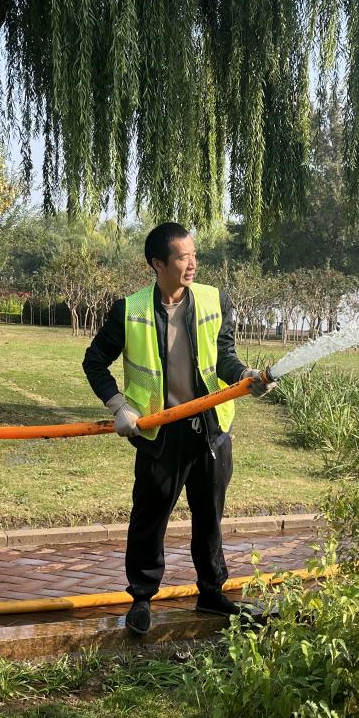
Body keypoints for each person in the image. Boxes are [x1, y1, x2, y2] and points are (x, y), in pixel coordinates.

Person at [82, 222, 273, 636]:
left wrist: (246, 376)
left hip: (209, 431)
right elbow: (94, 362)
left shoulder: (212, 300)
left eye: (194, 254)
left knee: (210, 516)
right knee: (150, 517)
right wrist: (119, 406)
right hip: (158, 433)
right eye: (183, 256)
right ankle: (142, 599)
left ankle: (212, 593)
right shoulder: (128, 311)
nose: (192, 263)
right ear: (158, 263)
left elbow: (224, 358)